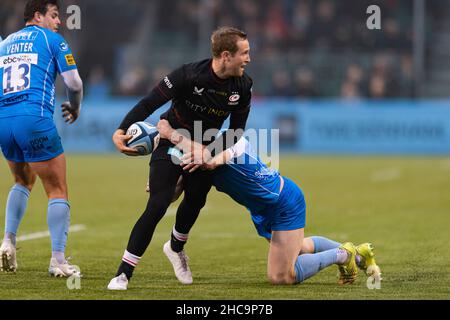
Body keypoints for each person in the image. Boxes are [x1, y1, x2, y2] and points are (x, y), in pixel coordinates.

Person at [107, 26, 253, 290]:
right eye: (244, 53)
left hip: (205, 149)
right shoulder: (187, 75)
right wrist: (120, 129)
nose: (248, 59)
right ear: (225, 55)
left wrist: (207, 152)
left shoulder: (243, 85)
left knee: (195, 200)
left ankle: (176, 248)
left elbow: (237, 130)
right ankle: (123, 273)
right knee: (158, 203)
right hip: (170, 143)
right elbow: (149, 103)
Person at [153, 119, 382, 286]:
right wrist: (161, 185)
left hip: (284, 202)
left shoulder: (230, 139)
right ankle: (361, 255)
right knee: (300, 247)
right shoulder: (196, 150)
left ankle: (343, 255)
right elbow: (175, 195)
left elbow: (212, 161)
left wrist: (171, 134)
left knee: (281, 276)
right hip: (263, 209)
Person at [0, 0, 83, 277]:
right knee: (57, 189)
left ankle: (8, 241)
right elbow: (74, 83)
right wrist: (75, 106)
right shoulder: (52, 39)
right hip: (33, 118)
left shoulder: (6, 42)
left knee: (23, 180)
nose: (59, 21)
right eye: (55, 15)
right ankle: (58, 260)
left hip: (4, 122)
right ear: (38, 16)